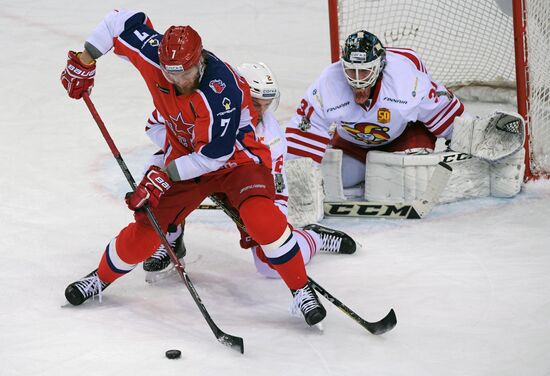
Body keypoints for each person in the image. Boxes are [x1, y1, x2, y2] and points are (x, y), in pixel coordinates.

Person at [60, 9, 326, 326]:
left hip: (235, 161)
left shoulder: (221, 90)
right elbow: (119, 21)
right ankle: (99, 279)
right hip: (184, 154)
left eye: (186, 73)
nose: (180, 81)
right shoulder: (156, 56)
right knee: (147, 232)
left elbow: (214, 156)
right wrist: (86, 58)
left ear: (199, 61)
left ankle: (301, 289)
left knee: (261, 220)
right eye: (172, 74)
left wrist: (163, 175)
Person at [141, 62, 357, 281]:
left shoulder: (272, 139)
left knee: (269, 266)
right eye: (255, 103)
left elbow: (276, 188)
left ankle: (312, 237)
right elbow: (153, 125)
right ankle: (170, 238)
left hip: (238, 183)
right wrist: (189, 149)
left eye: (267, 104)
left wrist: (275, 234)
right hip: (199, 171)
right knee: (157, 168)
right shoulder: (203, 102)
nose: (261, 112)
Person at [283, 30, 525, 211]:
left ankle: (392, 169)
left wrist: (475, 139)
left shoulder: (406, 82)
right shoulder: (328, 83)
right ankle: (373, 169)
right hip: (354, 142)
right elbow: (304, 134)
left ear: (379, 67)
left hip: (404, 136)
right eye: (351, 71)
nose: (357, 81)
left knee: (410, 183)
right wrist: (296, 186)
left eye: (365, 72)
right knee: (333, 178)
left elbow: (447, 115)